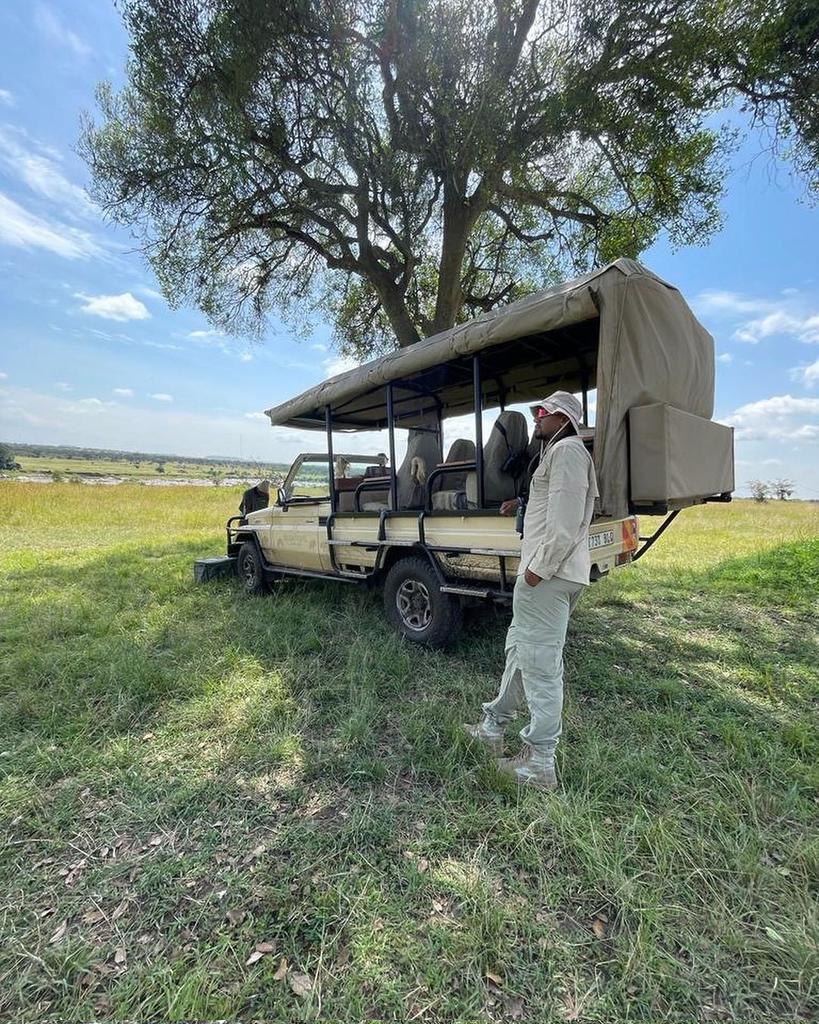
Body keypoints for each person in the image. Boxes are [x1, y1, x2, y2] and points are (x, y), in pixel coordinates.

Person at [464, 391, 598, 791]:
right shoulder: (557, 453)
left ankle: (540, 762)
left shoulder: (568, 452)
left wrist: (536, 572)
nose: (536, 418)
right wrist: (520, 502)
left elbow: (565, 521)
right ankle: (493, 727)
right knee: (519, 653)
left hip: (547, 576)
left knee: (540, 665)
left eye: (542, 413)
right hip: (546, 575)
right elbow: (551, 506)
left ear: (562, 419)